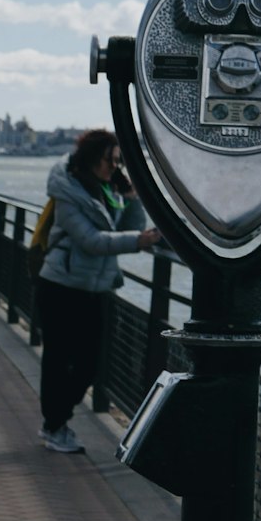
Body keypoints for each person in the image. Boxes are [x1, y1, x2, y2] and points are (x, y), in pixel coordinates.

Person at [36, 128, 160, 453]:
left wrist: (132, 197)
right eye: (110, 160)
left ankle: (57, 421)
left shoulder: (108, 189)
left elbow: (129, 226)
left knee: (91, 363)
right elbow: (90, 241)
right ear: (92, 158)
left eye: (117, 161)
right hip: (61, 286)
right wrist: (137, 242)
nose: (113, 167)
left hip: (94, 288)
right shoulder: (68, 192)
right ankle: (54, 425)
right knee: (59, 360)